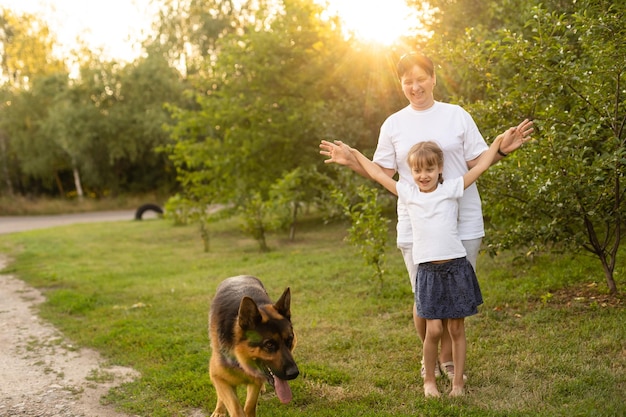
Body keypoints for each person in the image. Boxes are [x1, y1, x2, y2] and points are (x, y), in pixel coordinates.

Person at [319, 52, 534, 383]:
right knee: (425, 296)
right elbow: (384, 173)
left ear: (434, 78)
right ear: (401, 85)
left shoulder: (457, 116)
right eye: (408, 82)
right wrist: (353, 159)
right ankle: (429, 358)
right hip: (416, 223)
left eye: (421, 79)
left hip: (463, 220)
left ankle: (448, 359)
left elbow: (478, 162)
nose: (415, 87)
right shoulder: (393, 124)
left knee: (456, 297)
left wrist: (501, 148)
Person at [338, 132, 521, 397]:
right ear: (411, 172)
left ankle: (458, 383)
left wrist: (497, 143)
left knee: (456, 328)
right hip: (428, 272)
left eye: (429, 169)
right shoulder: (409, 193)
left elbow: (480, 166)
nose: (423, 175)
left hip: (456, 268)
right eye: (417, 170)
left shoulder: (451, 189)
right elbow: (379, 175)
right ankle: (429, 381)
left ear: (439, 169)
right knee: (433, 329)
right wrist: (354, 152)